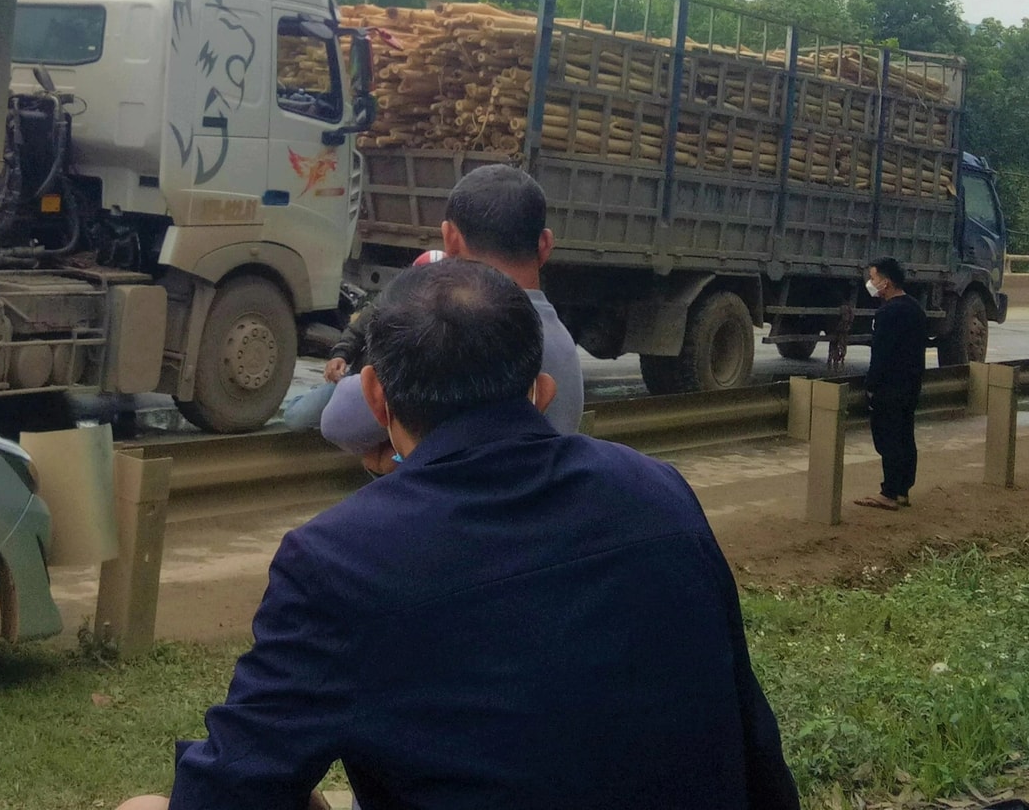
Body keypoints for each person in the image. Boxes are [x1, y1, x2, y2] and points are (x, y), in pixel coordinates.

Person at [119, 261, 798, 810]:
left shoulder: (337, 560)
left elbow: (231, 789)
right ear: (539, 391)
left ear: (378, 400)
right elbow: (753, 741)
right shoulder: (660, 493)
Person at [320, 164, 584, 455]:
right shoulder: (564, 346)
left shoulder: (456, 334)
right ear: (545, 244)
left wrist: (398, 457)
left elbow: (339, 421)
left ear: (451, 241)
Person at [854, 256, 927, 511]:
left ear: (885, 283)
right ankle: (902, 491)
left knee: (887, 439)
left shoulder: (888, 313)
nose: (870, 283)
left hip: (890, 387)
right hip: (911, 384)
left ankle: (889, 492)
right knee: (905, 435)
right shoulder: (915, 308)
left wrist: (871, 385)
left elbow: (881, 355)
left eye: (873, 278)